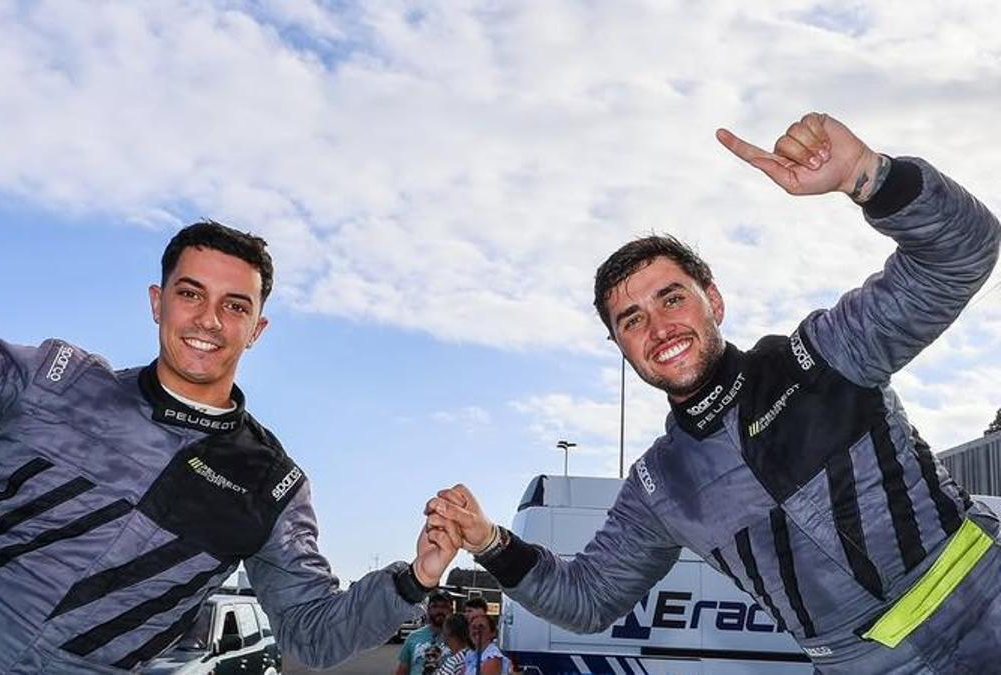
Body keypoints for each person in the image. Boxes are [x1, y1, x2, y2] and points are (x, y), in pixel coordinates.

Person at [0, 35, 458, 673]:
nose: (208, 319)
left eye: (235, 305)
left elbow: (313, 634)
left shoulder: (271, 484)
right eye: (191, 293)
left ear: (257, 328)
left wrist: (416, 577)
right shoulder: (53, 382)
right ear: (157, 301)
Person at [427, 111, 1001, 673]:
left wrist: (866, 175)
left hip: (989, 600)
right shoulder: (659, 486)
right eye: (631, 320)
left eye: (672, 298)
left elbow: (961, 253)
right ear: (623, 349)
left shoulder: (826, 355)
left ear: (714, 301)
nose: (658, 328)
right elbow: (588, 598)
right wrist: (491, 542)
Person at [397, 592, 453, 675]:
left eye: (444, 606)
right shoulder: (413, 637)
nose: (439, 610)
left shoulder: (460, 639)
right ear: (428, 610)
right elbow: (402, 671)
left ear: (451, 610)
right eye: (434, 606)